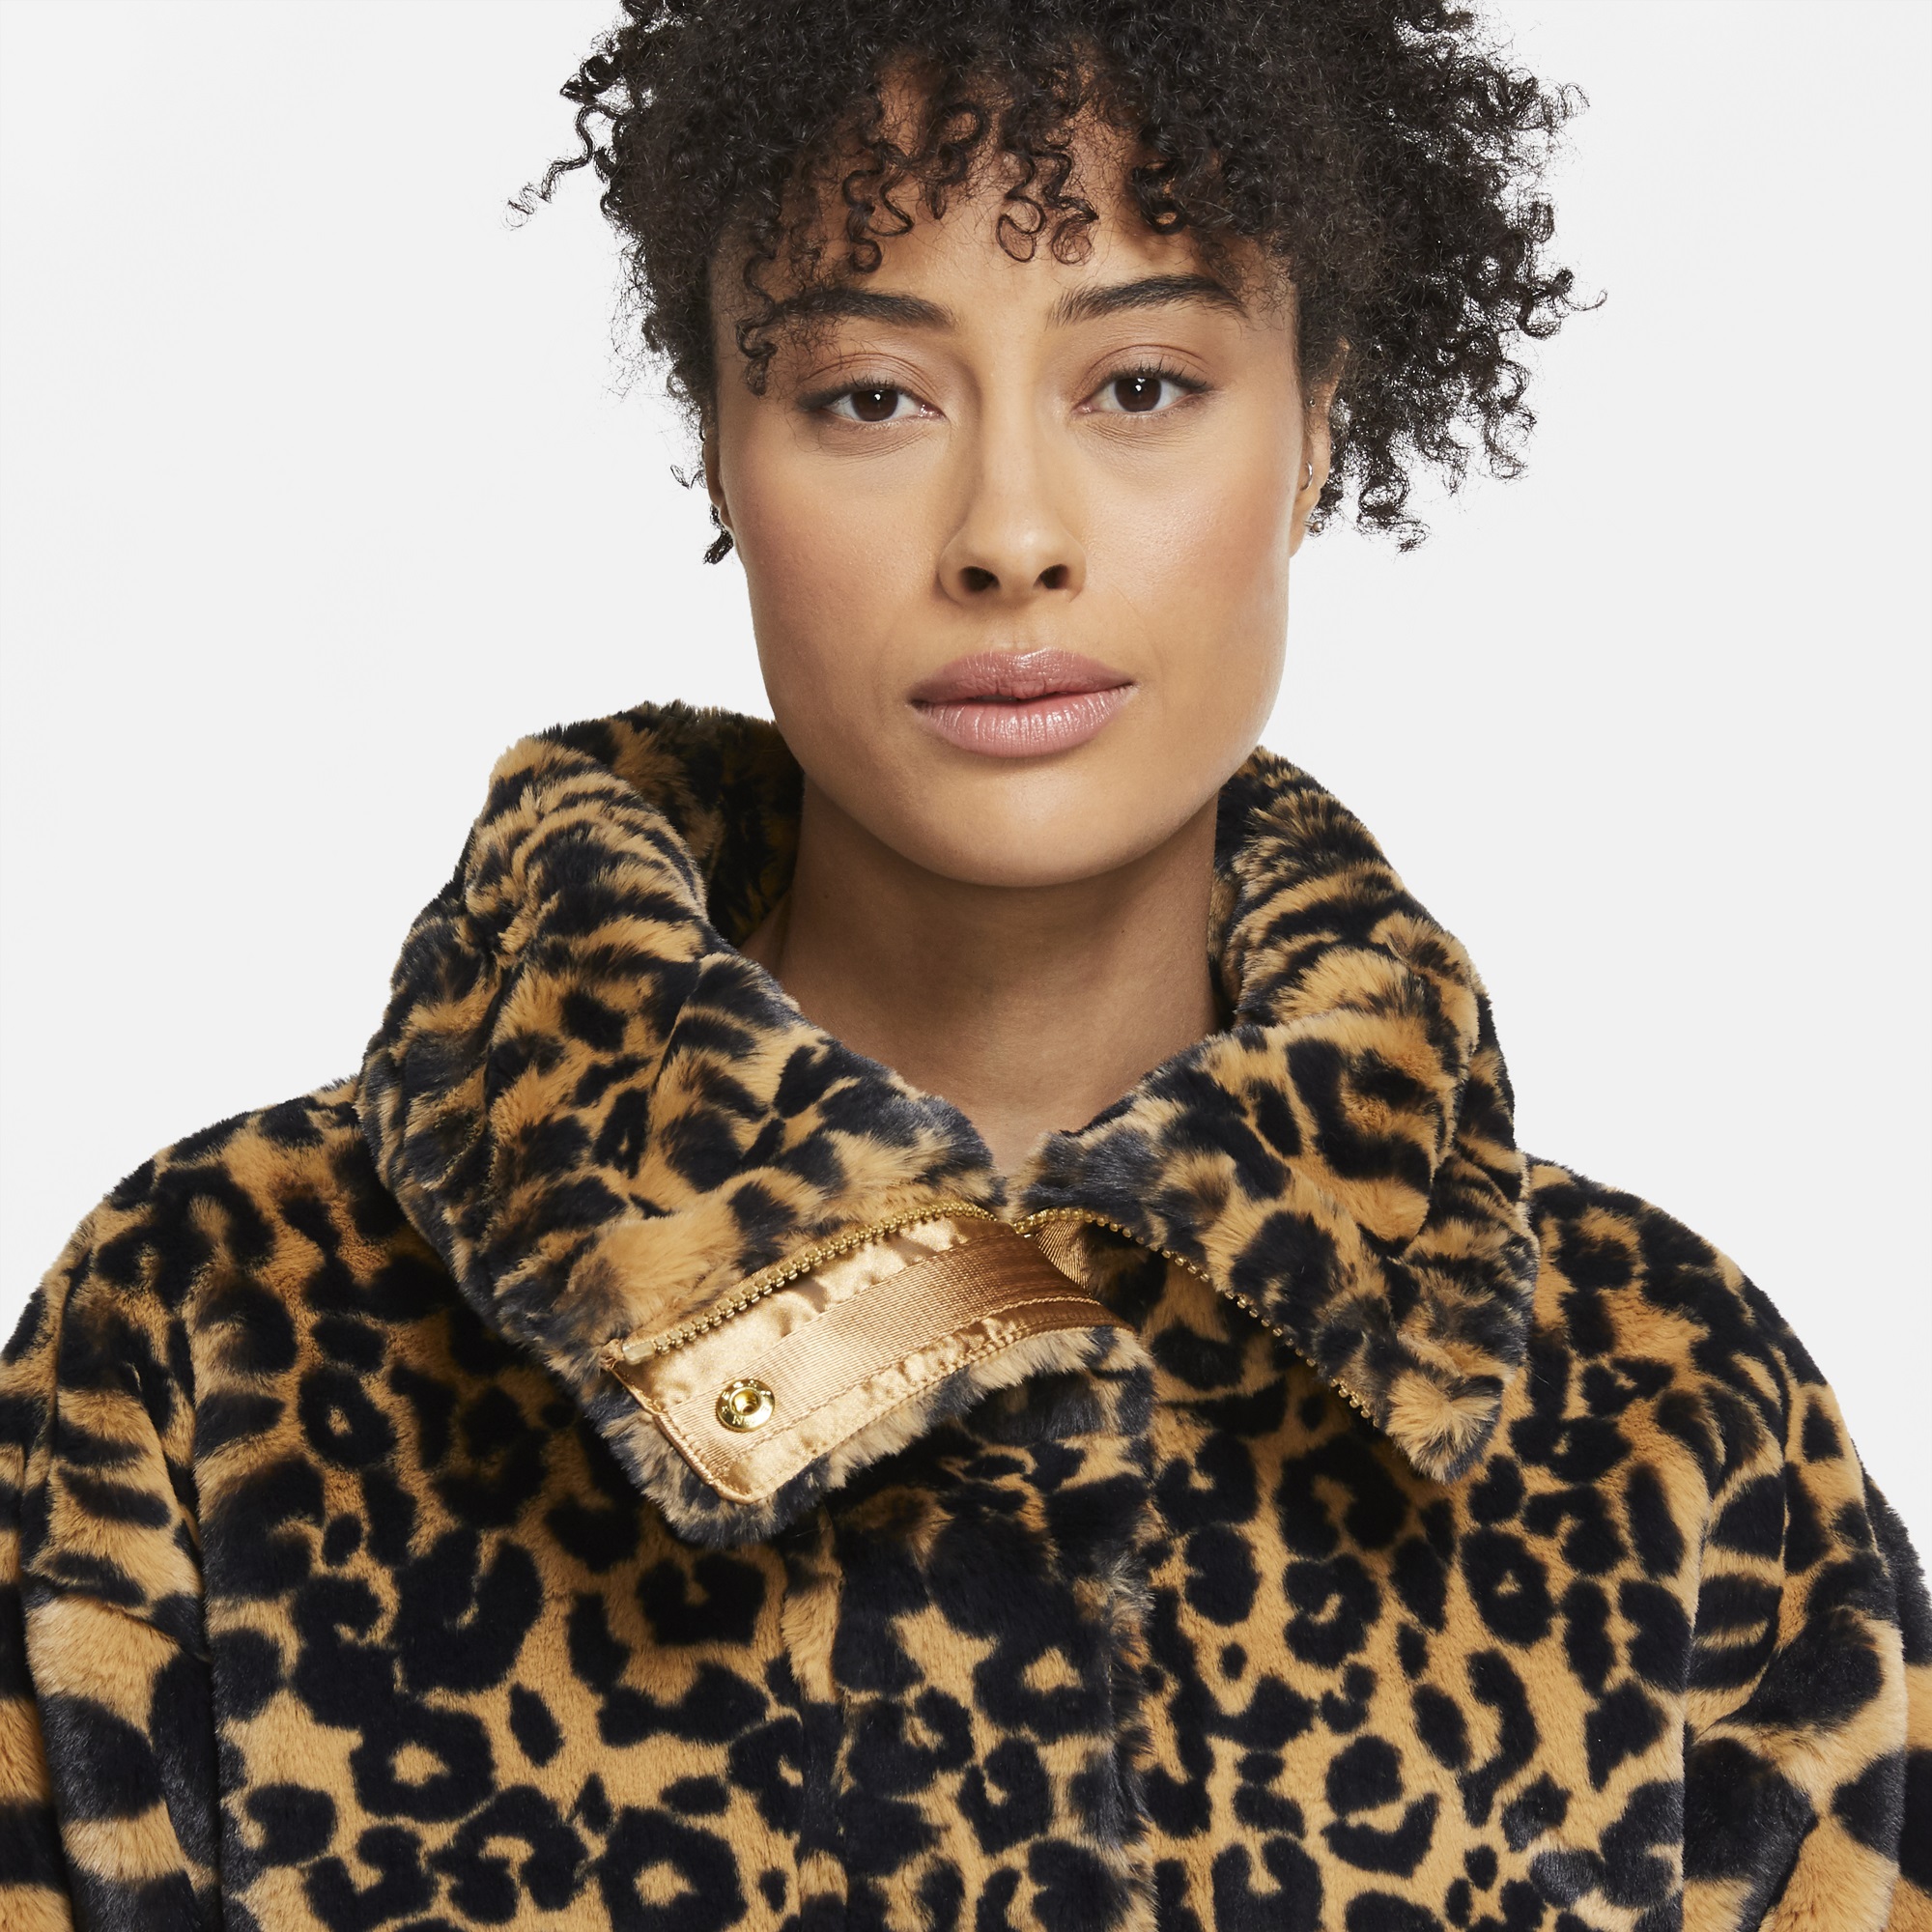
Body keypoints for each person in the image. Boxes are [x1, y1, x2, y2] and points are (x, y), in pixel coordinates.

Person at [2, 0, 1925, 1926]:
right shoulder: (214, 1332)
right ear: (720, 448)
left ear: (1317, 428)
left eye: (1142, 384)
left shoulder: (1671, 1420)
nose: (1010, 533)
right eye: (869, 398)